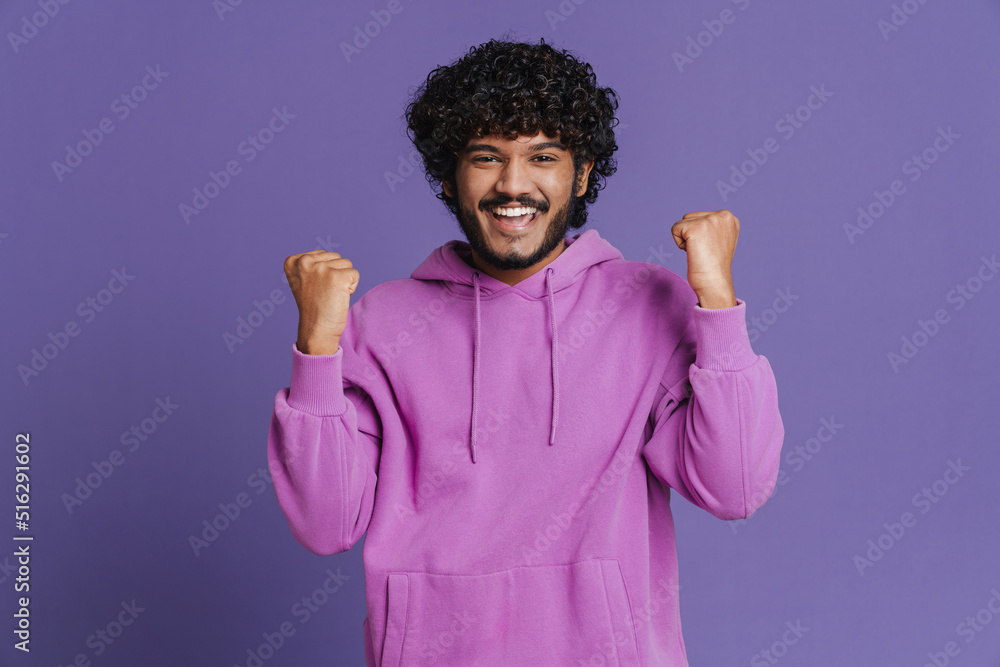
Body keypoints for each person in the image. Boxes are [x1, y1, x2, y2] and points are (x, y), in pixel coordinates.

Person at [268, 36, 784, 667]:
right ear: (451, 174)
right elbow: (325, 526)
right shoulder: (382, 322)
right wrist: (317, 351)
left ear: (582, 172)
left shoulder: (647, 305)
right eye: (486, 157)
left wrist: (718, 304)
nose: (513, 184)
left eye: (543, 156)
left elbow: (732, 487)